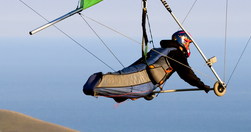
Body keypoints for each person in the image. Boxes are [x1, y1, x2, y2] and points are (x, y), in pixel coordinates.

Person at [83, 30, 213, 102]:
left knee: (123, 80)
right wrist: (202, 86)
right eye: (188, 43)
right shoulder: (176, 53)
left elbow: (138, 64)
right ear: (183, 41)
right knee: (121, 81)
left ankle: (113, 91)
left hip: (141, 80)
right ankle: (99, 84)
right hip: (142, 80)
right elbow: (187, 74)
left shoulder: (160, 50)